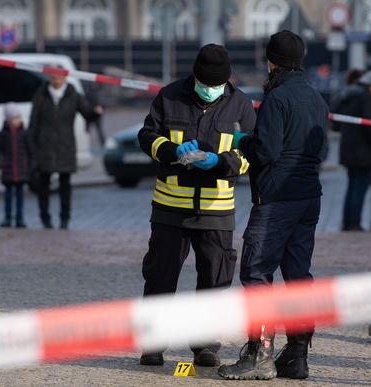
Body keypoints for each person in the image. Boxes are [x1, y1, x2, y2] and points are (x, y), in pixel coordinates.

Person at [218, 30, 328, 381]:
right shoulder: (316, 99)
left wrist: (243, 141)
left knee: (256, 273)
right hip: (308, 198)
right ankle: (296, 356)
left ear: (271, 61)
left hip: (276, 199)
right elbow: (322, 152)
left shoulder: (276, 99)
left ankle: (259, 355)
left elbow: (266, 152)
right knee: (298, 277)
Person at [137, 44, 254, 367]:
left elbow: (251, 156)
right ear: (195, 76)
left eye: (216, 84)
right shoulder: (170, 96)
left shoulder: (242, 106)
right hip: (169, 207)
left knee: (214, 280)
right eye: (205, 83)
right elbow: (147, 136)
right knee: (160, 276)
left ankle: (205, 345)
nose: (210, 89)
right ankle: (153, 344)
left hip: (216, 209)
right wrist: (172, 151)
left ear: (227, 80)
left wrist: (220, 161)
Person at [27, 70, 103, 229]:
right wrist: (32, 147)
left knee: (65, 185)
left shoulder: (73, 95)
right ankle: (45, 218)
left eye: (58, 77)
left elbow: (87, 113)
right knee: (43, 184)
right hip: (44, 146)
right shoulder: (41, 94)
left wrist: (96, 113)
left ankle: (64, 218)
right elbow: (33, 122)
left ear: (64, 77)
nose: (55, 80)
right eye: (53, 77)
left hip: (65, 146)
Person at [338, 69, 371, 231]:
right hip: (364, 151)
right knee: (360, 188)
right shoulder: (367, 99)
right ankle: (355, 223)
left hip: (348, 149)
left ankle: (347, 221)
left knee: (351, 187)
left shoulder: (348, 95)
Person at [0, 103, 31, 228]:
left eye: (18, 117)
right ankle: (8, 217)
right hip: (8, 170)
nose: (17, 120)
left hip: (21, 170)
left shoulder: (24, 133)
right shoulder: (3, 134)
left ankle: (19, 218)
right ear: (9, 120)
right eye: (14, 118)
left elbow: (30, 150)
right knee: (8, 197)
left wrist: (31, 165)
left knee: (20, 196)